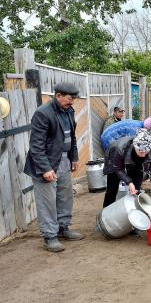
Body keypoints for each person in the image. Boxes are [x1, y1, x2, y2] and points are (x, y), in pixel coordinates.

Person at [24, 82, 84, 252]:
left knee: (65, 197)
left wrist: (74, 157)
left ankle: (63, 228)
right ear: (58, 96)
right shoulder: (43, 113)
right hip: (47, 164)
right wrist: (45, 168)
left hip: (64, 160)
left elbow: (71, 137)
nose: (72, 102)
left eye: (73, 99)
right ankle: (50, 237)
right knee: (47, 202)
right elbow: (36, 146)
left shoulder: (68, 111)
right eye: (69, 99)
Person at [102, 128, 151, 208]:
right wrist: (129, 182)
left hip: (134, 164)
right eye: (141, 151)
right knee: (112, 186)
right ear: (135, 146)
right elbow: (118, 168)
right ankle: (107, 210)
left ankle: (134, 209)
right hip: (114, 158)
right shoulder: (119, 148)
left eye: (146, 151)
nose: (143, 155)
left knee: (136, 188)